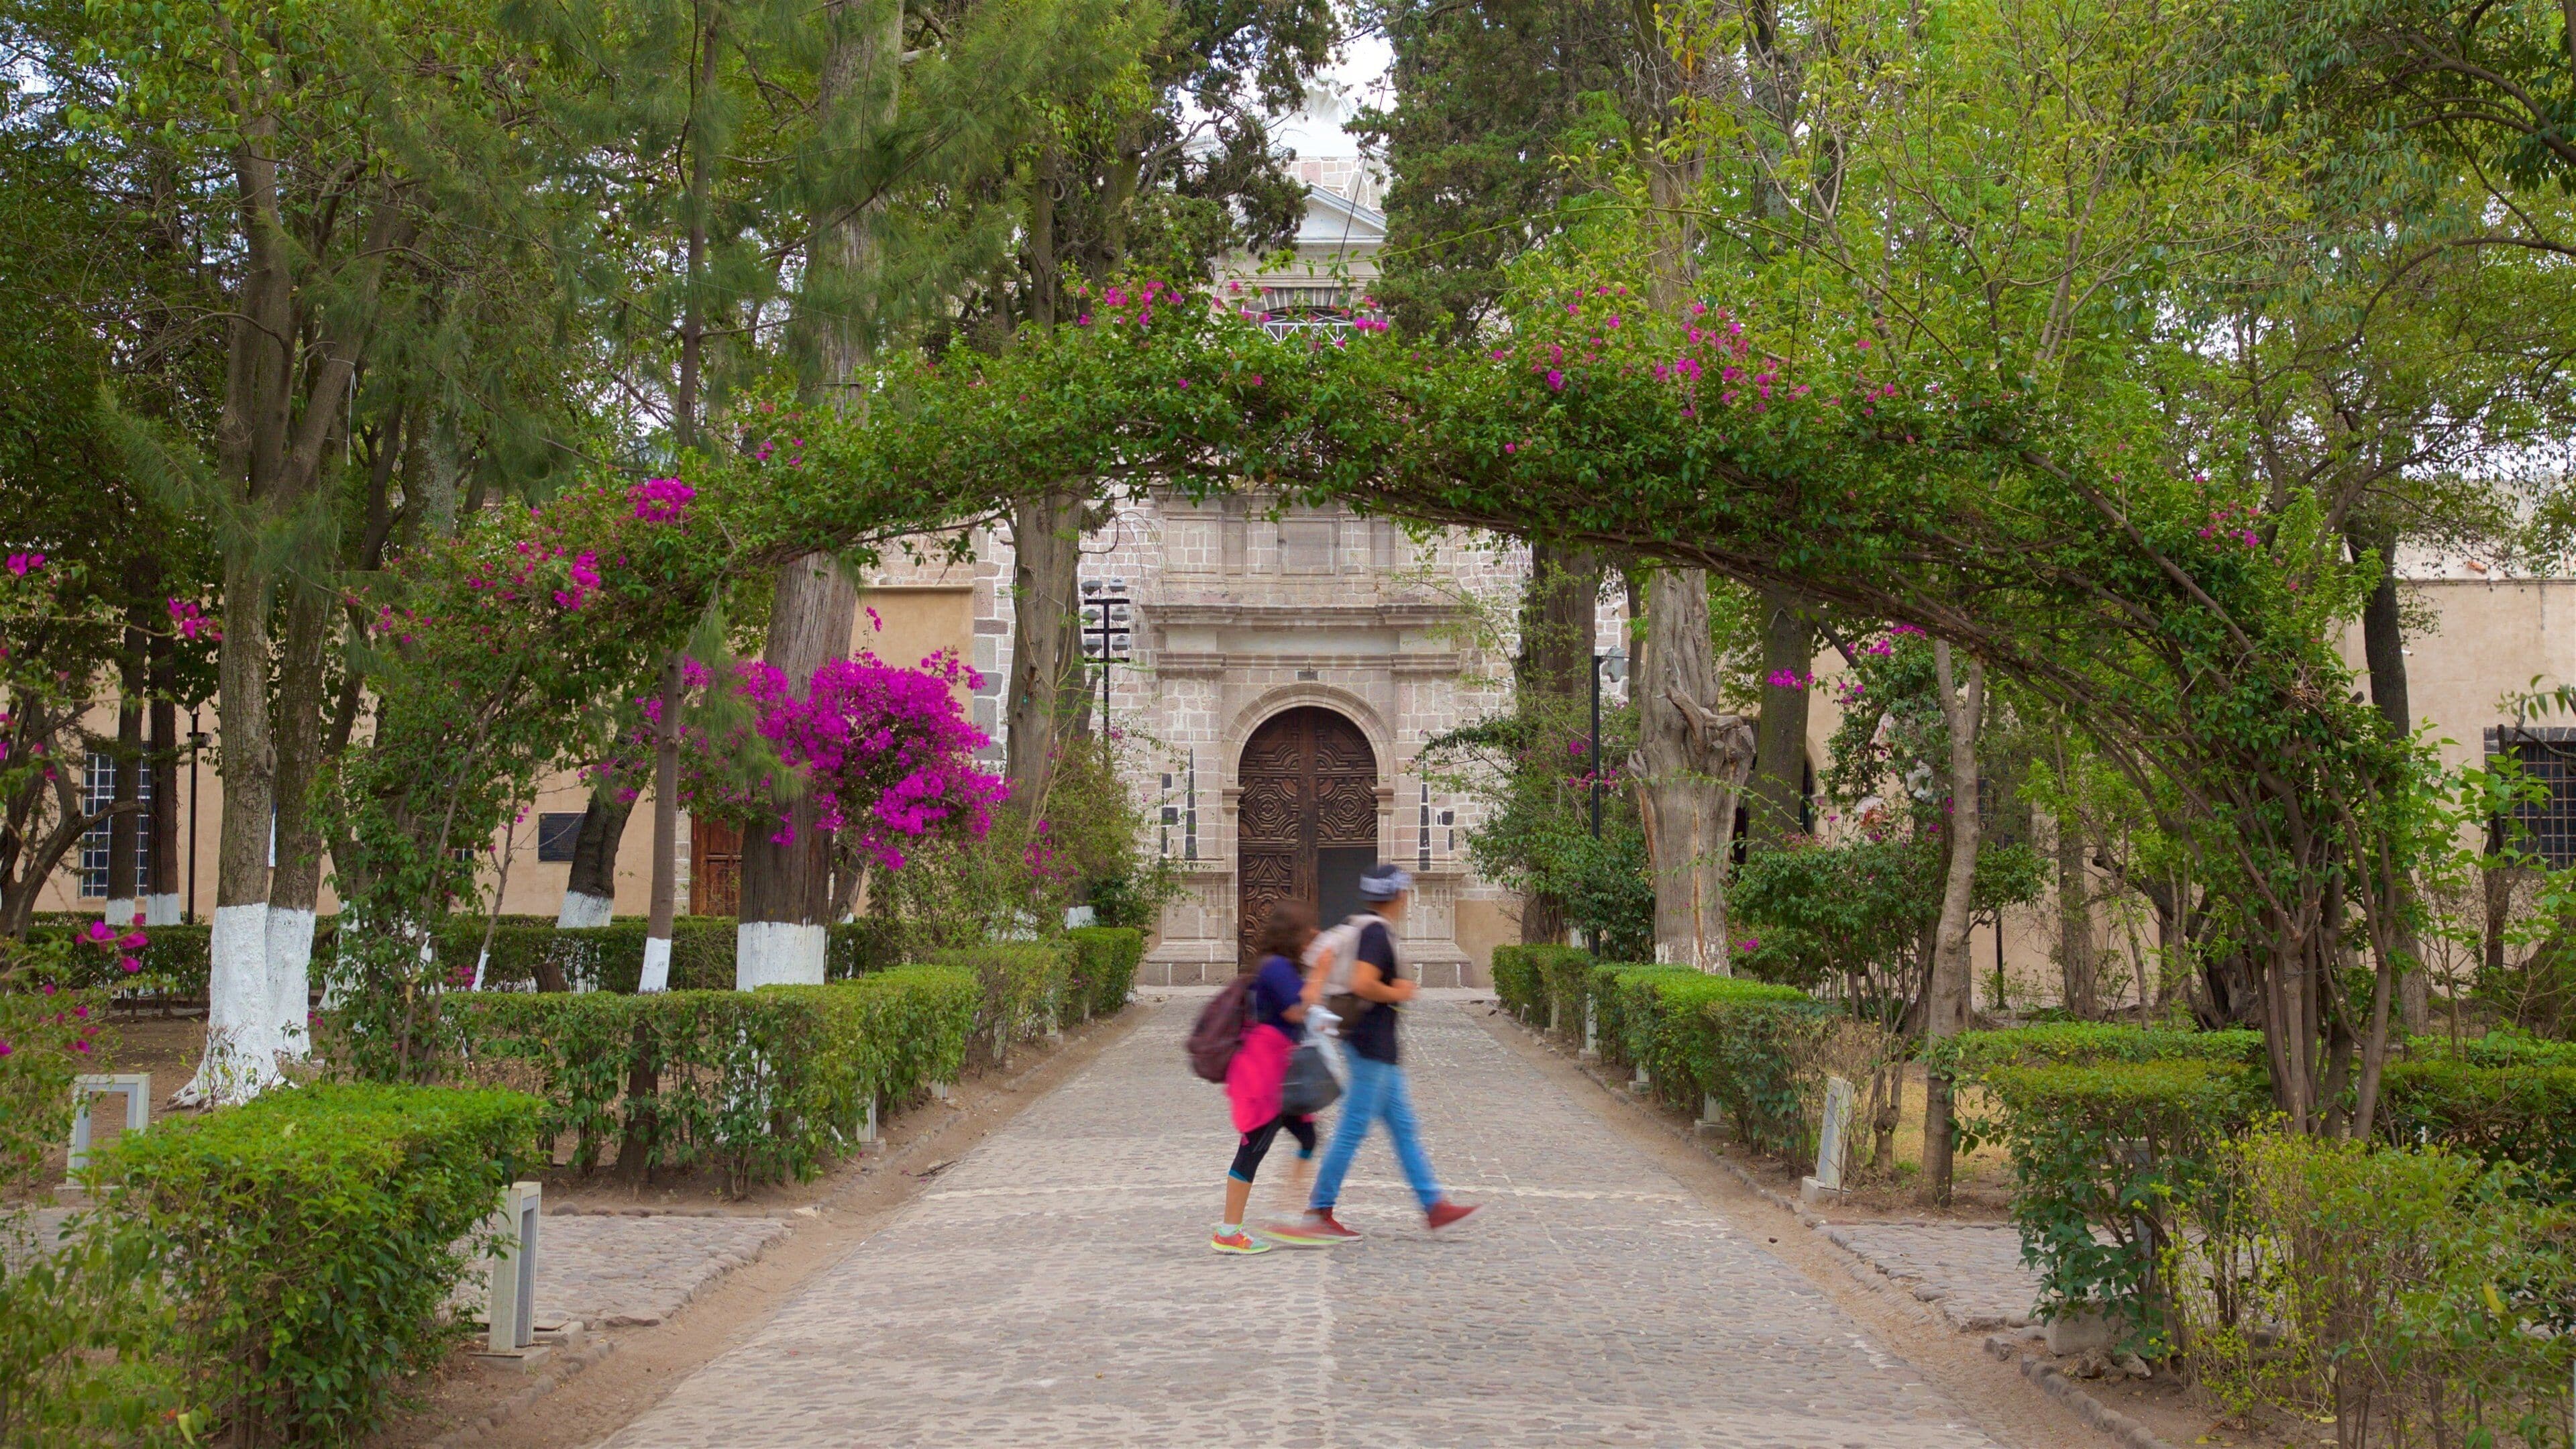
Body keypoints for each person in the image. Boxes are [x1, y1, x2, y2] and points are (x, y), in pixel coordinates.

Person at [1294, 863, 1479, 1239]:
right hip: (1370, 1045)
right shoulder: (1376, 932)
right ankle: (1318, 1210)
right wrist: (1400, 992)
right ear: (1398, 895)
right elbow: (1364, 983)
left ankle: (1434, 1206)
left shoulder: (1364, 924)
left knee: (1404, 1128)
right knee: (1352, 1129)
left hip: (1379, 1047)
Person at [1212, 898, 1332, 1254]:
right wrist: (1322, 972)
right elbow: (1297, 1010)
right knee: (1253, 1149)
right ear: (1293, 933)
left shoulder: (1280, 966)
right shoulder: (1275, 967)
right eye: (1307, 929)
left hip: (1281, 1070)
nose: (1313, 936)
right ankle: (1228, 1232)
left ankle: (1286, 1215)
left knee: (1308, 1138)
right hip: (1264, 1074)